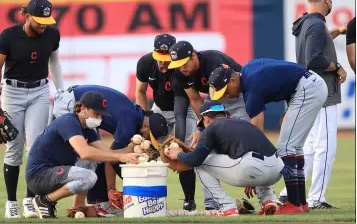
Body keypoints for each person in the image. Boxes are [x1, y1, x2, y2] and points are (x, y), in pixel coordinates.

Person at [208, 59, 328, 214]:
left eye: (225, 90)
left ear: (232, 80)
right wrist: (291, 107)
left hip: (307, 89)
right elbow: (288, 74)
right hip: (310, 85)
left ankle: (293, 203)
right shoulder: (248, 71)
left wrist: (251, 161)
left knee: (286, 147)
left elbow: (255, 132)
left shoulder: (251, 85)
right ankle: (301, 203)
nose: (226, 95)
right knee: (295, 147)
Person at [0, 0, 64, 218]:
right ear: (27, 15)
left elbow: (54, 61)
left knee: (36, 147)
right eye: (39, 20)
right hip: (13, 92)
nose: (43, 25)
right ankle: (11, 202)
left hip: (40, 90)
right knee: (14, 148)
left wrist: (60, 90)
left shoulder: (51, 34)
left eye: (46, 21)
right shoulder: (9, 36)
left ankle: (30, 200)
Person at [277, 0, 348, 209]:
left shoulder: (306, 22)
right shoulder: (316, 25)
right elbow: (313, 59)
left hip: (307, 92)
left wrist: (335, 31)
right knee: (325, 148)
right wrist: (337, 66)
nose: (331, 3)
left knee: (306, 148)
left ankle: (286, 193)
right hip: (322, 94)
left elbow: (314, 43)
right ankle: (317, 198)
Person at [52, 84, 169, 212]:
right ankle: (42, 199)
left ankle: (95, 204)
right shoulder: (129, 123)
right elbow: (111, 157)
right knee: (83, 155)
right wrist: (111, 189)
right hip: (72, 102)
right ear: (146, 126)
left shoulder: (136, 116)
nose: (148, 141)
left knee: (95, 156)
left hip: (76, 99)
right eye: (149, 137)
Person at [26, 91, 143, 219]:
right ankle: (45, 201)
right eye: (96, 113)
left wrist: (131, 148)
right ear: (83, 108)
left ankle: (78, 206)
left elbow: (107, 154)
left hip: (54, 173)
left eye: (101, 114)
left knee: (95, 160)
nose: (99, 118)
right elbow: (85, 152)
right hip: (39, 176)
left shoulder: (87, 128)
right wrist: (121, 157)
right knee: (89, 177)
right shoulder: (68, 121)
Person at [166, 101, 285, 216]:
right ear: (225, 115)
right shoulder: (244, 123)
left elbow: (195, 159)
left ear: (206, 119)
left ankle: (227, 207)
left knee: (201, 164)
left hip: (252, 166)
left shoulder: (212, 128)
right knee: (258, 160)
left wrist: (178, 154)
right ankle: (268, 200)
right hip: (277, 168)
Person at [135, 34, 198, 211]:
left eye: (166, 60)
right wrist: (144, 119)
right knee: (146, 148)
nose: (162, 64)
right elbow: (140, 92)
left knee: (183, 152)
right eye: (159, 59)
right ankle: (144, 202)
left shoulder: (179, 70)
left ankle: (189, 201)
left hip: (184, 110)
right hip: (159, 108)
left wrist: (177, 144)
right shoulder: (145, 63)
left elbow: (179, 114)